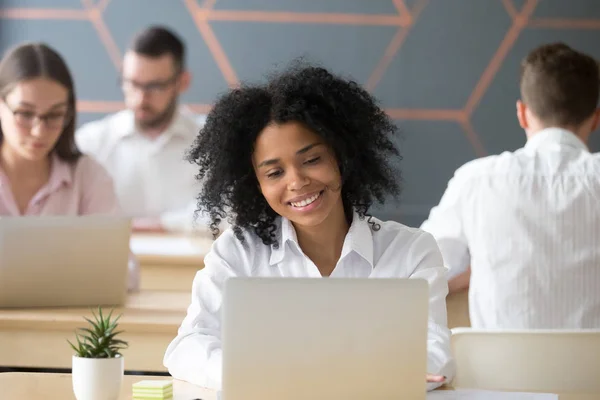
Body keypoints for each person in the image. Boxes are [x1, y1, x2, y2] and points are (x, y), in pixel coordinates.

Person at [163, 64, 455, 390]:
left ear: (342, 157)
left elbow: (435, 355)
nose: (297, 182)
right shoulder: (237, 253)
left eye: (312, 160)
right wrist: (253, 376)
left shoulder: (411, 252)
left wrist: (325, 377)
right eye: (274, 173)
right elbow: (187, 346)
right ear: (255, 184)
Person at [421, 42, 600, 329]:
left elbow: (419, 276)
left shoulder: (477, 180)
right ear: (595, 119)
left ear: (522, 113)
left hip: (499, 373)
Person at [0, 42, 138, 291]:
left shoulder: (88, 176)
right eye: (24, 113)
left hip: (67, 325)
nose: (39, 130)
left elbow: (125, 273)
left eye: (54, 115)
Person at [76, 26, 204, 233]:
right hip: (108, 263)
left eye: (154, 86)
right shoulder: (92, 142)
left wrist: (159, 225)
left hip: (193, 264)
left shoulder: (212, 140)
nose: (140, 98)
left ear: (182, 82)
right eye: (132, 84)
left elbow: (230, 211)